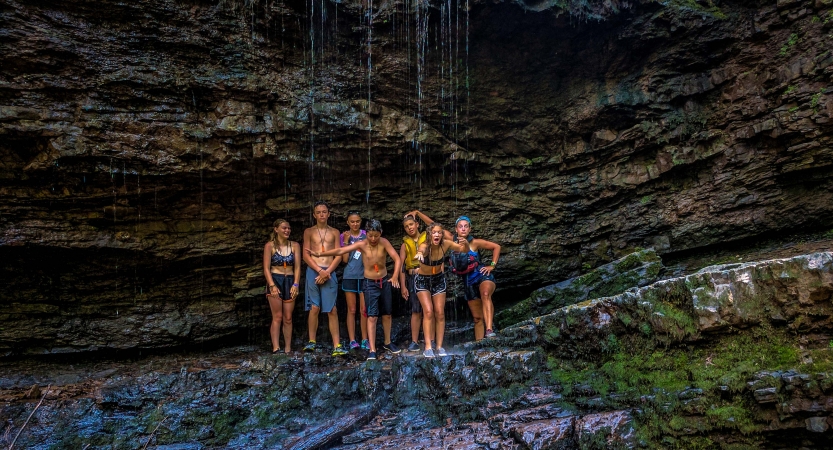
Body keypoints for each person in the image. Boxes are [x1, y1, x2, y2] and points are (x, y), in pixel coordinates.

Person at [307, 219, 402, 361]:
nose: (373, 239)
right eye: (370, 235)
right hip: (369, 283)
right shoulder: (362, 244)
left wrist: (394, 276)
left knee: (387, 314)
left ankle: (388, 342)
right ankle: (372, 349)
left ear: (380, 233)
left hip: (384, 281)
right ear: (366, 234)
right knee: (372, 316)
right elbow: (340, 250)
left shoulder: (384, 242)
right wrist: (320, 254)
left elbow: (397, 259)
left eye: (376, 235)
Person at [407, 211, 501, 340]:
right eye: (460, 226)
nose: (463, 228)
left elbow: (496, 247)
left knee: (485, 294)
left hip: (481, 275)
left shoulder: (476, 242)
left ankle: (489, 329)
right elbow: (433, 225)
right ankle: (480, 345)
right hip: (468, 281)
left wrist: (492, 265)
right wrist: (418, 213)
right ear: (456, 229)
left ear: (470, 228)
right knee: (477, 318)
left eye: (466, 226)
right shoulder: (451, 240)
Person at [413, 222, 466, 358]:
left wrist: (464, 243)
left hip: (438, 279)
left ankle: (439, 346)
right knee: (428, 311)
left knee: (440, 313)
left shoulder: (446, 244)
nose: (437, 234)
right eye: (434, 232)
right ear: (429, 234)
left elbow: (462, 250)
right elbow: (421, 250)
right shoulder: (425, 245)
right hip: (423, 280)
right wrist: (419, 254)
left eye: (439, 232)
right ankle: (428, 347)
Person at [302, 201, 348, 356]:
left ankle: (337, 345)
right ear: (314, 215)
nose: (321, 214)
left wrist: (327, 271)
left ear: (329, 214)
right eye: (318, 212)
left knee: (332, 309)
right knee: (314, 307)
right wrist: (318, 270)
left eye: (324, 212)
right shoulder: (308, 231)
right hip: (313, 271)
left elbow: (339, 255)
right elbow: (305, 255)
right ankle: (312, 341)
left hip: (329, 271)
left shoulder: (335, 232)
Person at [262, 219, 301, 353]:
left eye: (289, 228)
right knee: (277, 316)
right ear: (276, 229)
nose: (287, 231)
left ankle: (288, 348)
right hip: (275, 280)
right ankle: (276, 347)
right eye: (284, 228)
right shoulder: (269, 246)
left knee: (288, 318)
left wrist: (296, 283)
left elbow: (297, 267)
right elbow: (266, 268)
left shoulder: (295, 245)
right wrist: (272, 285)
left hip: (290, 280)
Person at [341, 211, 369, 350]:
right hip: (349, 276)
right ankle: (352, 340)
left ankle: (365, 339)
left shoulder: (366, 235)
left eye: (357, 221)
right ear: (347, 222)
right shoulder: (343, 236)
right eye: (352, 221)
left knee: (364, 310)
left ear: (361, 221)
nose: (355, 224)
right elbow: (344, 260)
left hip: (364, 276)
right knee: (351, 310)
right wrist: (346, 241)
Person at [399, 215, 426, 352]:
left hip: (427, 277)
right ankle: (414, 341)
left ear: (417, 224)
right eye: (406, 226)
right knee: (416, 310)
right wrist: (403, 286)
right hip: (412, 278)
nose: (409, 227)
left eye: (411, 224)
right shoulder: (405, 245)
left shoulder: (427, 239)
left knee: (429, 309)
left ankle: (430, 340)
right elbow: (401, 266)